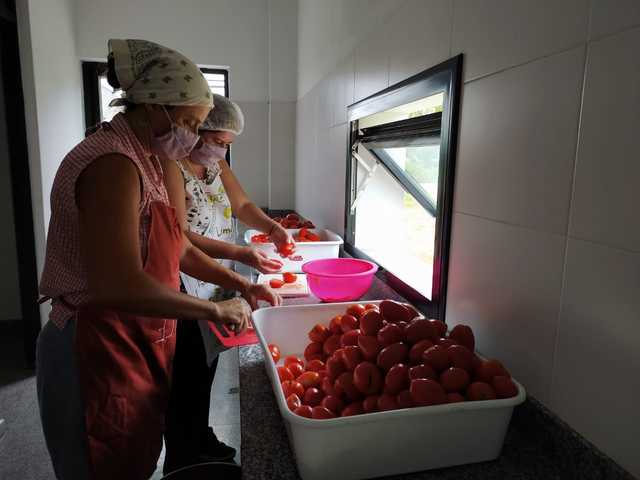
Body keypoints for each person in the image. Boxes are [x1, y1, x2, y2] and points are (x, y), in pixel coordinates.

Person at [36, 39, 279, 480]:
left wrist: (240, 283)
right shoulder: (112, 163)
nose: (191, 136)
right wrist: (213, 308)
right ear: (155, 107)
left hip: (126, 337)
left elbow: (179, 247)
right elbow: (119, 284)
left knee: (131, 456)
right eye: (189, 122)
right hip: (92, 343)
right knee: (98, 464)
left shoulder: (145, 157)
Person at [162, 95, 294, 472]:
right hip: (184, 280)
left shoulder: (216, 165)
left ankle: (201, 436)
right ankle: (183, 459)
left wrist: (272, 227)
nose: (222, 149)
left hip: (215, 278)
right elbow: (180, 236)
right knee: (187, 371)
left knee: (209, 362)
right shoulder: (172, 167)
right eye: (218, 141)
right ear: (197, 131)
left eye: (226, 145)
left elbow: (243, 206)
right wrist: (241, 254)